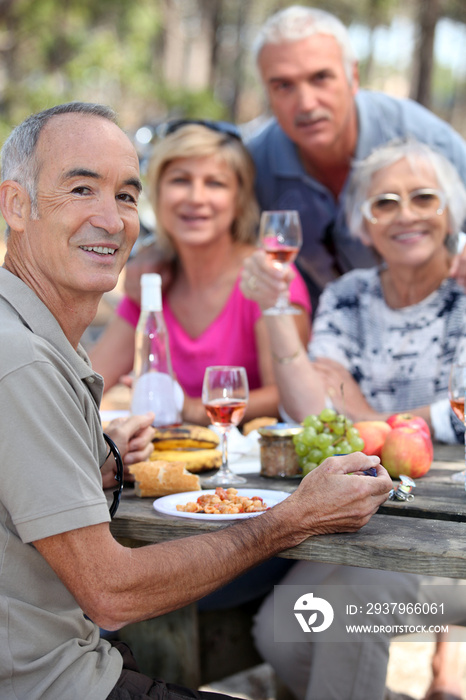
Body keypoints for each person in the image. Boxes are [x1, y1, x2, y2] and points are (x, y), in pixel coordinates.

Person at [0, 102, 392, 700]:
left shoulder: (40, 336)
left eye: (126, 196)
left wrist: (98, 460)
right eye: (81, 188)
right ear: (15, 205)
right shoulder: (28, 356)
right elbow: (112, 590)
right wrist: (290, 519)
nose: (110, 217)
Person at [241, 139, 466, 700]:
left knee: (346, 611)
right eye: (384, 202)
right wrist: (273, 308)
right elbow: (313, 411)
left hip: (450, 536)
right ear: (363, 224)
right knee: (278, 633)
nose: (406, 213)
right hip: (367, 519)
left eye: (423, 198)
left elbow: (458, 419)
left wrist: (362, 413)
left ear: (451, 212)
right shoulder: (347, 296)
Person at [89, 121, 311, 425]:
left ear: (239, 199)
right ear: (158, 192)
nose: (195, 198)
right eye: (180, 180)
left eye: (215, 183)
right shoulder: (152, 280)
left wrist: (193, 408)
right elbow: (90, 380)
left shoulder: (266, 277)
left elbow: (286, 395)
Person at [248, 5, 466, 311]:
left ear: (353, 76)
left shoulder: (427, 141)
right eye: (283, 85)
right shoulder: (255, 162)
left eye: (321, 77)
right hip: (320, 335)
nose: (306, 103)